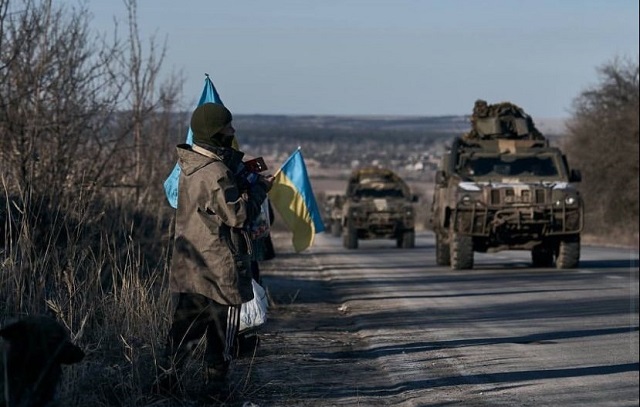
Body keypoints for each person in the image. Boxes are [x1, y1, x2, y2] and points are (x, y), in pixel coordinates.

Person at [157, 102, 273, 397]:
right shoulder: (215, 173)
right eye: (227, 128)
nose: (232, 132)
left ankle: (166, 385)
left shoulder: (192, 165)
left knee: (184, 329)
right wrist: (259, 189)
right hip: (216, 265)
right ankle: (214, 392)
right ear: (214, 133)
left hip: (191, 260)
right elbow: (238, 216)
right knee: (218, 334)